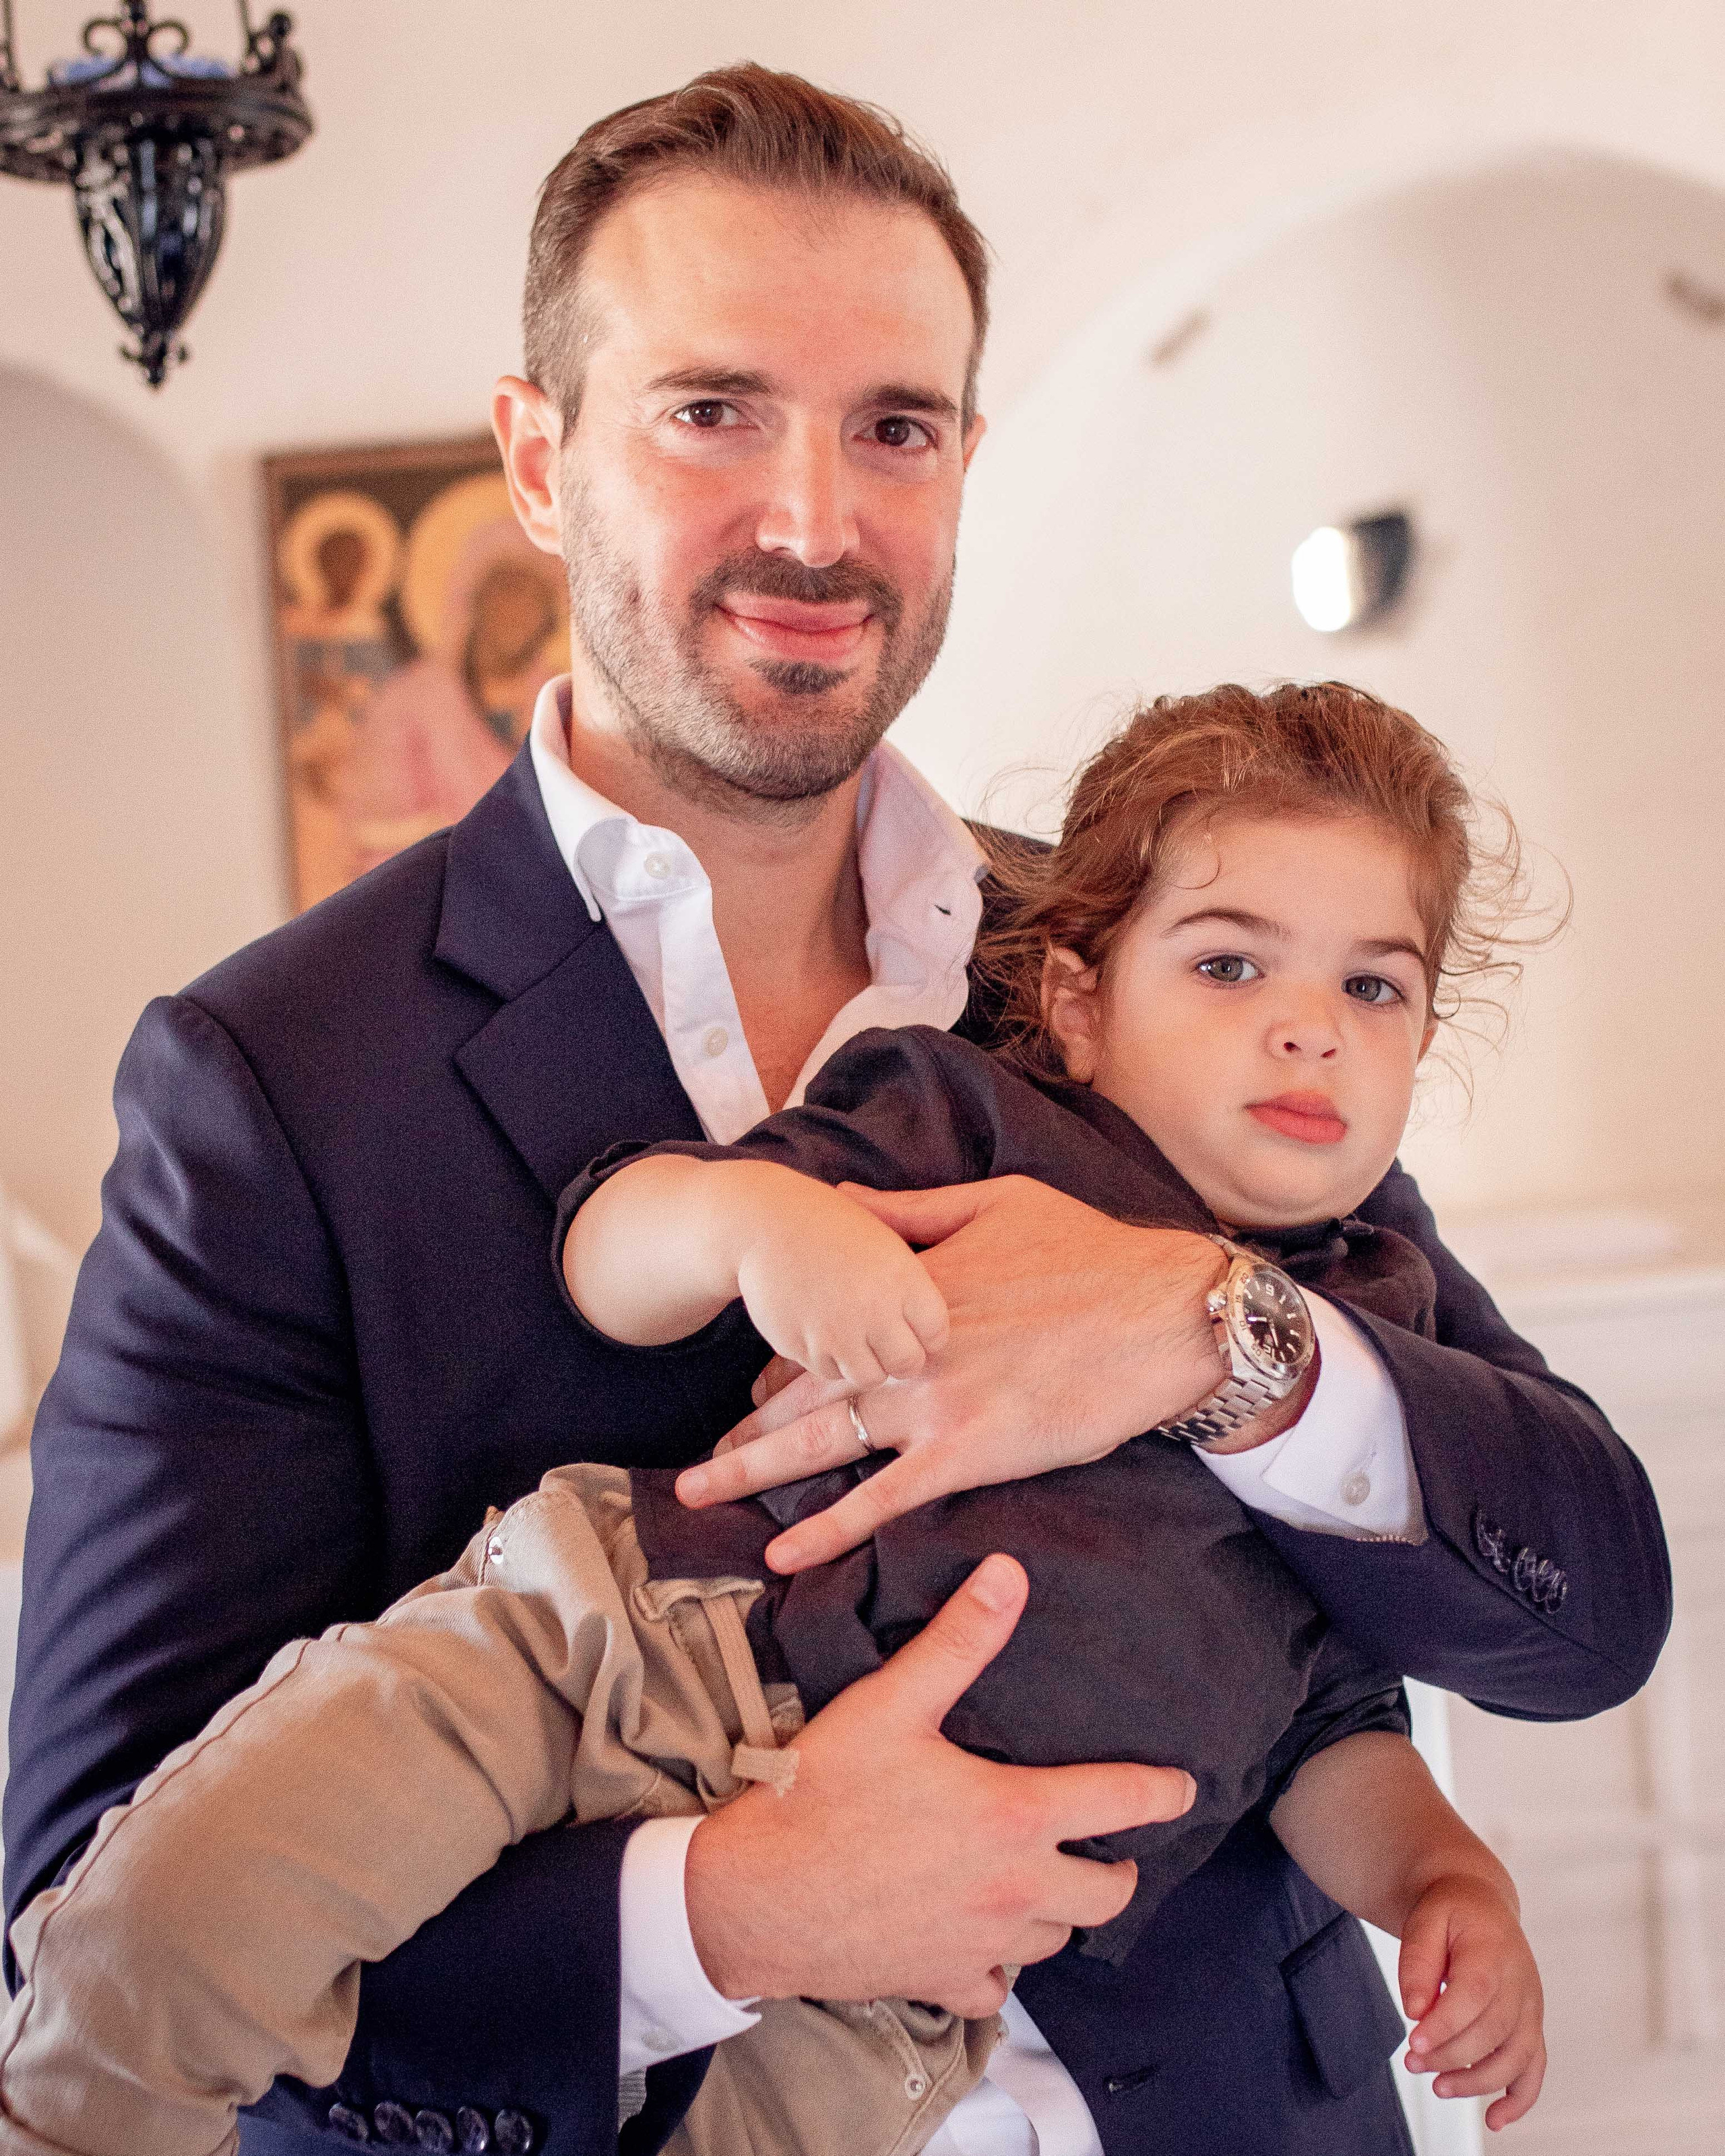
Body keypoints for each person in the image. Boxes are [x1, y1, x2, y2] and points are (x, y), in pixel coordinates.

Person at [4, 65, 1668, 2156]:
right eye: (712, 410)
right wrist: (727, 1912)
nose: (815, 518)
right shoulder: (270, 1079)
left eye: (894, 425)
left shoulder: (1153, 970)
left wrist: (1216, 1337)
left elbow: (1584, 1599)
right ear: (539, 458)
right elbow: (98, 1887)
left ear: (964, 464)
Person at [0, 685, 1550, 2156]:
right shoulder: (980, 1115)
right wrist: (751, 1225)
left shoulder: (1367, 1315)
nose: (1307, 1028)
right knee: (216, 1875)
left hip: (927, 1977)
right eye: (1229, 968)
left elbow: (1337, 1722)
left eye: (1372, 985)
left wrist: (1438, 1874)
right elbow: (614, 1240)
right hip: (622, 1642)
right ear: (1074, 1002)